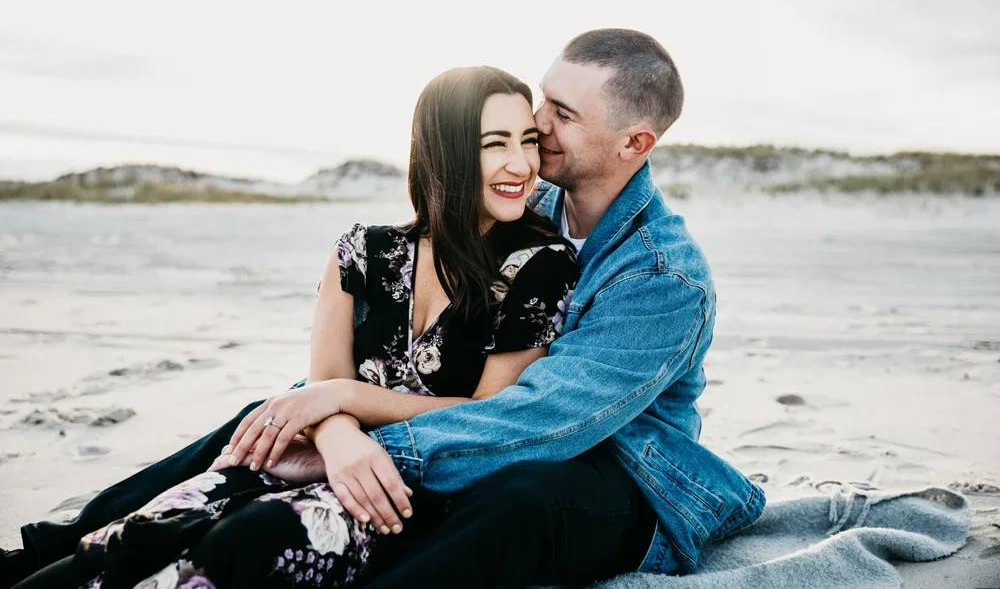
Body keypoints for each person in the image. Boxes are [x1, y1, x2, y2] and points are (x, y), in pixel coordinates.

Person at [4, 29, 765, 589]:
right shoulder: (526, 197)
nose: (536, 125)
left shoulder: (663, 277)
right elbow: (402, 280)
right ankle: (51, 548)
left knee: (519, 496)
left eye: (561, 114)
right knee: (268, 416)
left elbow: (545, 419)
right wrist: (327, 419)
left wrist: (370, 441)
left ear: (635, 141)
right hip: (484, 427)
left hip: (620, 475)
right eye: (541, 100)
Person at [9, 66, 580, 588]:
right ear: (446, 153)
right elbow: (320, 389)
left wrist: (344, 399)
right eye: (495, 144)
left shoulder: (541, 264)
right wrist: (337, 432)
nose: (523, 165)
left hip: (403, 489)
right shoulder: (364, 251)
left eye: (527, 141)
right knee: (147, 530)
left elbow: (487, 417)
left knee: (244, 542)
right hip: (318, 451)